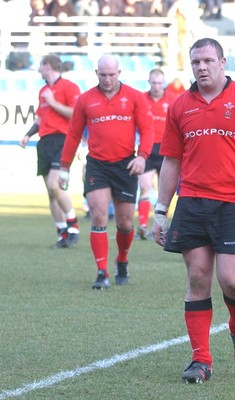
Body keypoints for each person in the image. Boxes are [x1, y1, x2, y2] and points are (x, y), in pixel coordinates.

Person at [152, 38, 235, 383]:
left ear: (223, 62)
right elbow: (171, 160)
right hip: (192, 202)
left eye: (208, 60)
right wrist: (161, 211)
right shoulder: (179, 106)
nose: (202, 67)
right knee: (197, 278)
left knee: (234, 281)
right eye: (196, 62)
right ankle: (201, 360)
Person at [59, 54, 154, 289]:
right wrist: (64, 167)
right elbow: (73, 135)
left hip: (125, 165)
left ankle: (122, 259)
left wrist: (142, 157)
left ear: (119, 73)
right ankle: (102, 272)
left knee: (124, 223)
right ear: (96, 74)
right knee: (99, 215)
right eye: (103, 75)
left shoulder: (134, 97)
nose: (108, 79)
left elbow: (148, 130)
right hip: (97, 165)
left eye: (112, 74)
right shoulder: (85, 99)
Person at [19, 54, 80, 249]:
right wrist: (28, 134)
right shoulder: (44, 90)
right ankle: (62, 233)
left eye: (40, 65)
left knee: (55, 185)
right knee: (50, 193)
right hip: (44, 141)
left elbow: (75, 113)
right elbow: (40, 118)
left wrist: (53, 102)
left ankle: (73, 225)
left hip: (62, 140)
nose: (39, 68)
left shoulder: (69, 87)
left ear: (47, 66)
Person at [137, 68, 177, 239]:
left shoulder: (173, 100)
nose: (157, 86)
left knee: (165, 191)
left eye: (160, 83)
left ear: (164, 83)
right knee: (144, 186)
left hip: (166, 149)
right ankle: (143, 225)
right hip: (147, 148)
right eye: (154, 83)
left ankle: (162, 226)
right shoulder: (141, 100)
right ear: (149, 82)